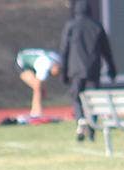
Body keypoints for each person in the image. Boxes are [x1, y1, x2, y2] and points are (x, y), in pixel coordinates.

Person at [59, 0, 116, 141]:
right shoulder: (96, 26)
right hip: (93, 69)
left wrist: (63, 72)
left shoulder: (71, 26)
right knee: (93, 99)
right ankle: (92, 126)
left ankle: (80, 120)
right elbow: (106, 50)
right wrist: (112, 68)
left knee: (77, 96)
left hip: (76, 69)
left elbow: (64, 50)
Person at [15, 48, 62, 118]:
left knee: (39, 88)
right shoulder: (44, 64)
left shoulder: (58, 59)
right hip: (22, 64)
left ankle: (35, 111)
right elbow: (39, 83)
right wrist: (43, 89)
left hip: (34, 61)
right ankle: (36, 112)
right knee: (37, 87)